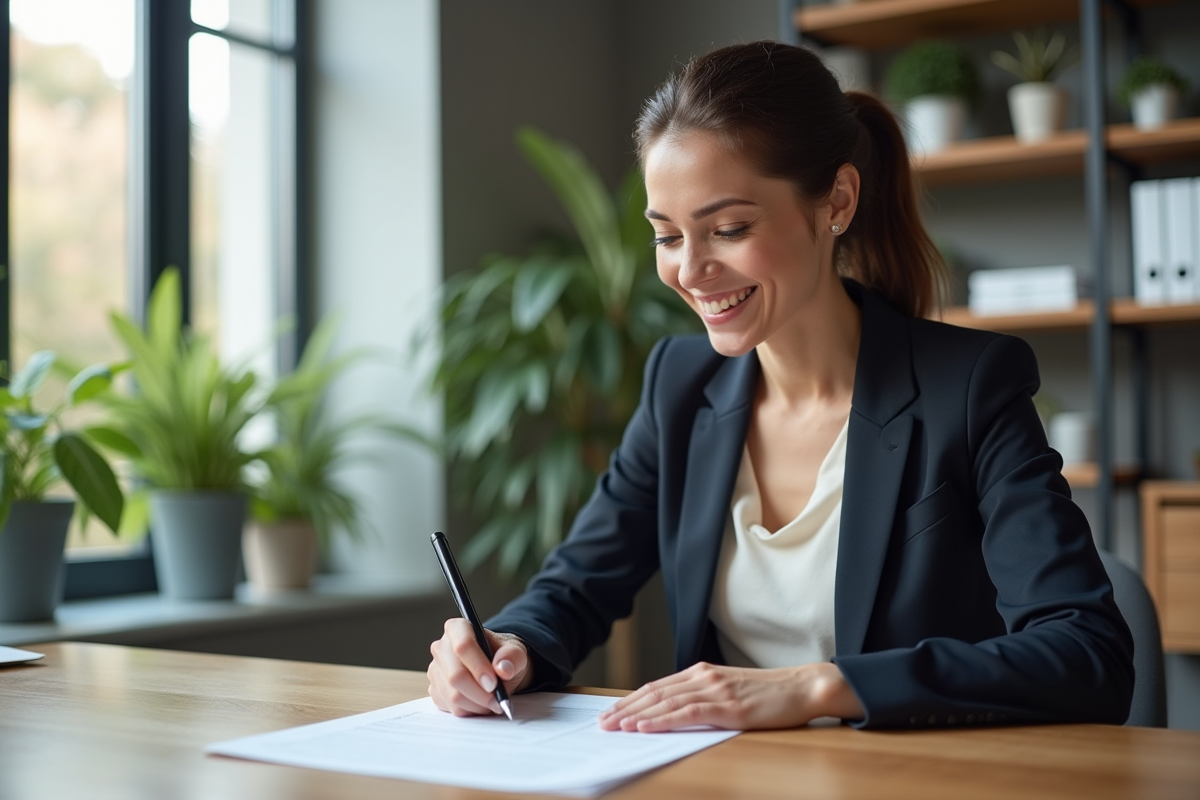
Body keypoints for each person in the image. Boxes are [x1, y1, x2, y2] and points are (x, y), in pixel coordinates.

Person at [426, 41, 1134, 731]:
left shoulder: (970, 387)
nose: (690, 271)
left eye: (729, 228)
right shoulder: (680, 384)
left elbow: (1087, 652)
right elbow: (575, 587)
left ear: (837, 202)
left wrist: (819, 686)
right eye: (667, 236)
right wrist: (509, 648)